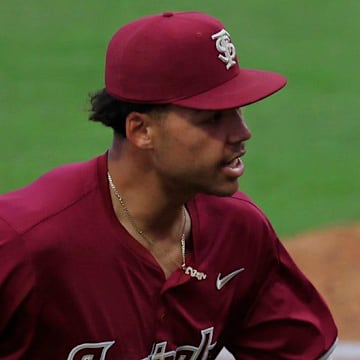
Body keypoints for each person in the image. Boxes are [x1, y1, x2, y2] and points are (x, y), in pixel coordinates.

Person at [0, 11, 337, 360]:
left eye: (238, 111)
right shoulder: (23, 242)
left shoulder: (238, 231)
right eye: (212, 118)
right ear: (141, 130)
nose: (241, 132)